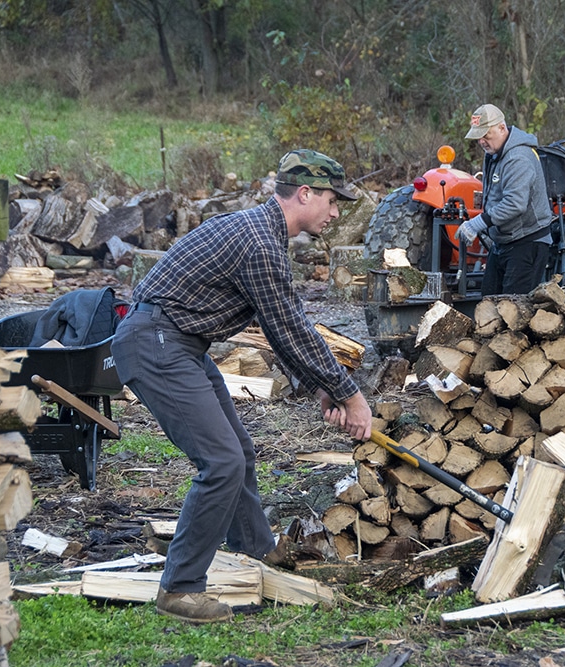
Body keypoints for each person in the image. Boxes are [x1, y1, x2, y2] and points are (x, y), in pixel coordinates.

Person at [111, 149, 372, 624]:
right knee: (221, 461)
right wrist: (350, 394)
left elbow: (279, 327)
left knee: (240, 452)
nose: (335, 212)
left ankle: (255, 551)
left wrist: (320, 386)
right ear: (306, 194)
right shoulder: (259, 243)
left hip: (178, 342)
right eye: (333, 200)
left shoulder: (257, 231)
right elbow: (290, 328)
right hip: (157, 344)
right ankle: (181, 589)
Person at [455, 103, 553, 295]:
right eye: (478, 137)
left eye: (486, 135)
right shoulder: (493, 154)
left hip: (527, 242)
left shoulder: (518, 157)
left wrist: (478, 223)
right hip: (505, 241)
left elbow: (515, 204)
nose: (482, 142)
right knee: (488, 301)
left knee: (514, 310)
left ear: (502, 127)